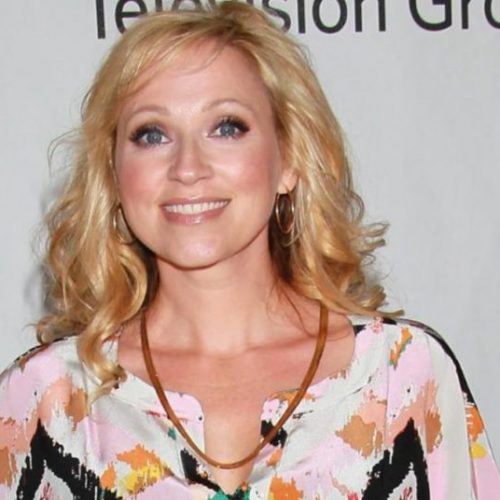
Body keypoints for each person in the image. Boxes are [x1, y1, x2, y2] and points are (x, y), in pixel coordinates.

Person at [0, 2, 498, 498]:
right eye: (152, 134)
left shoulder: (402, 377)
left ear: (290, 159)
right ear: (113, 174)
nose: (188, 167)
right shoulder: (46, 399)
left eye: (226, 127)